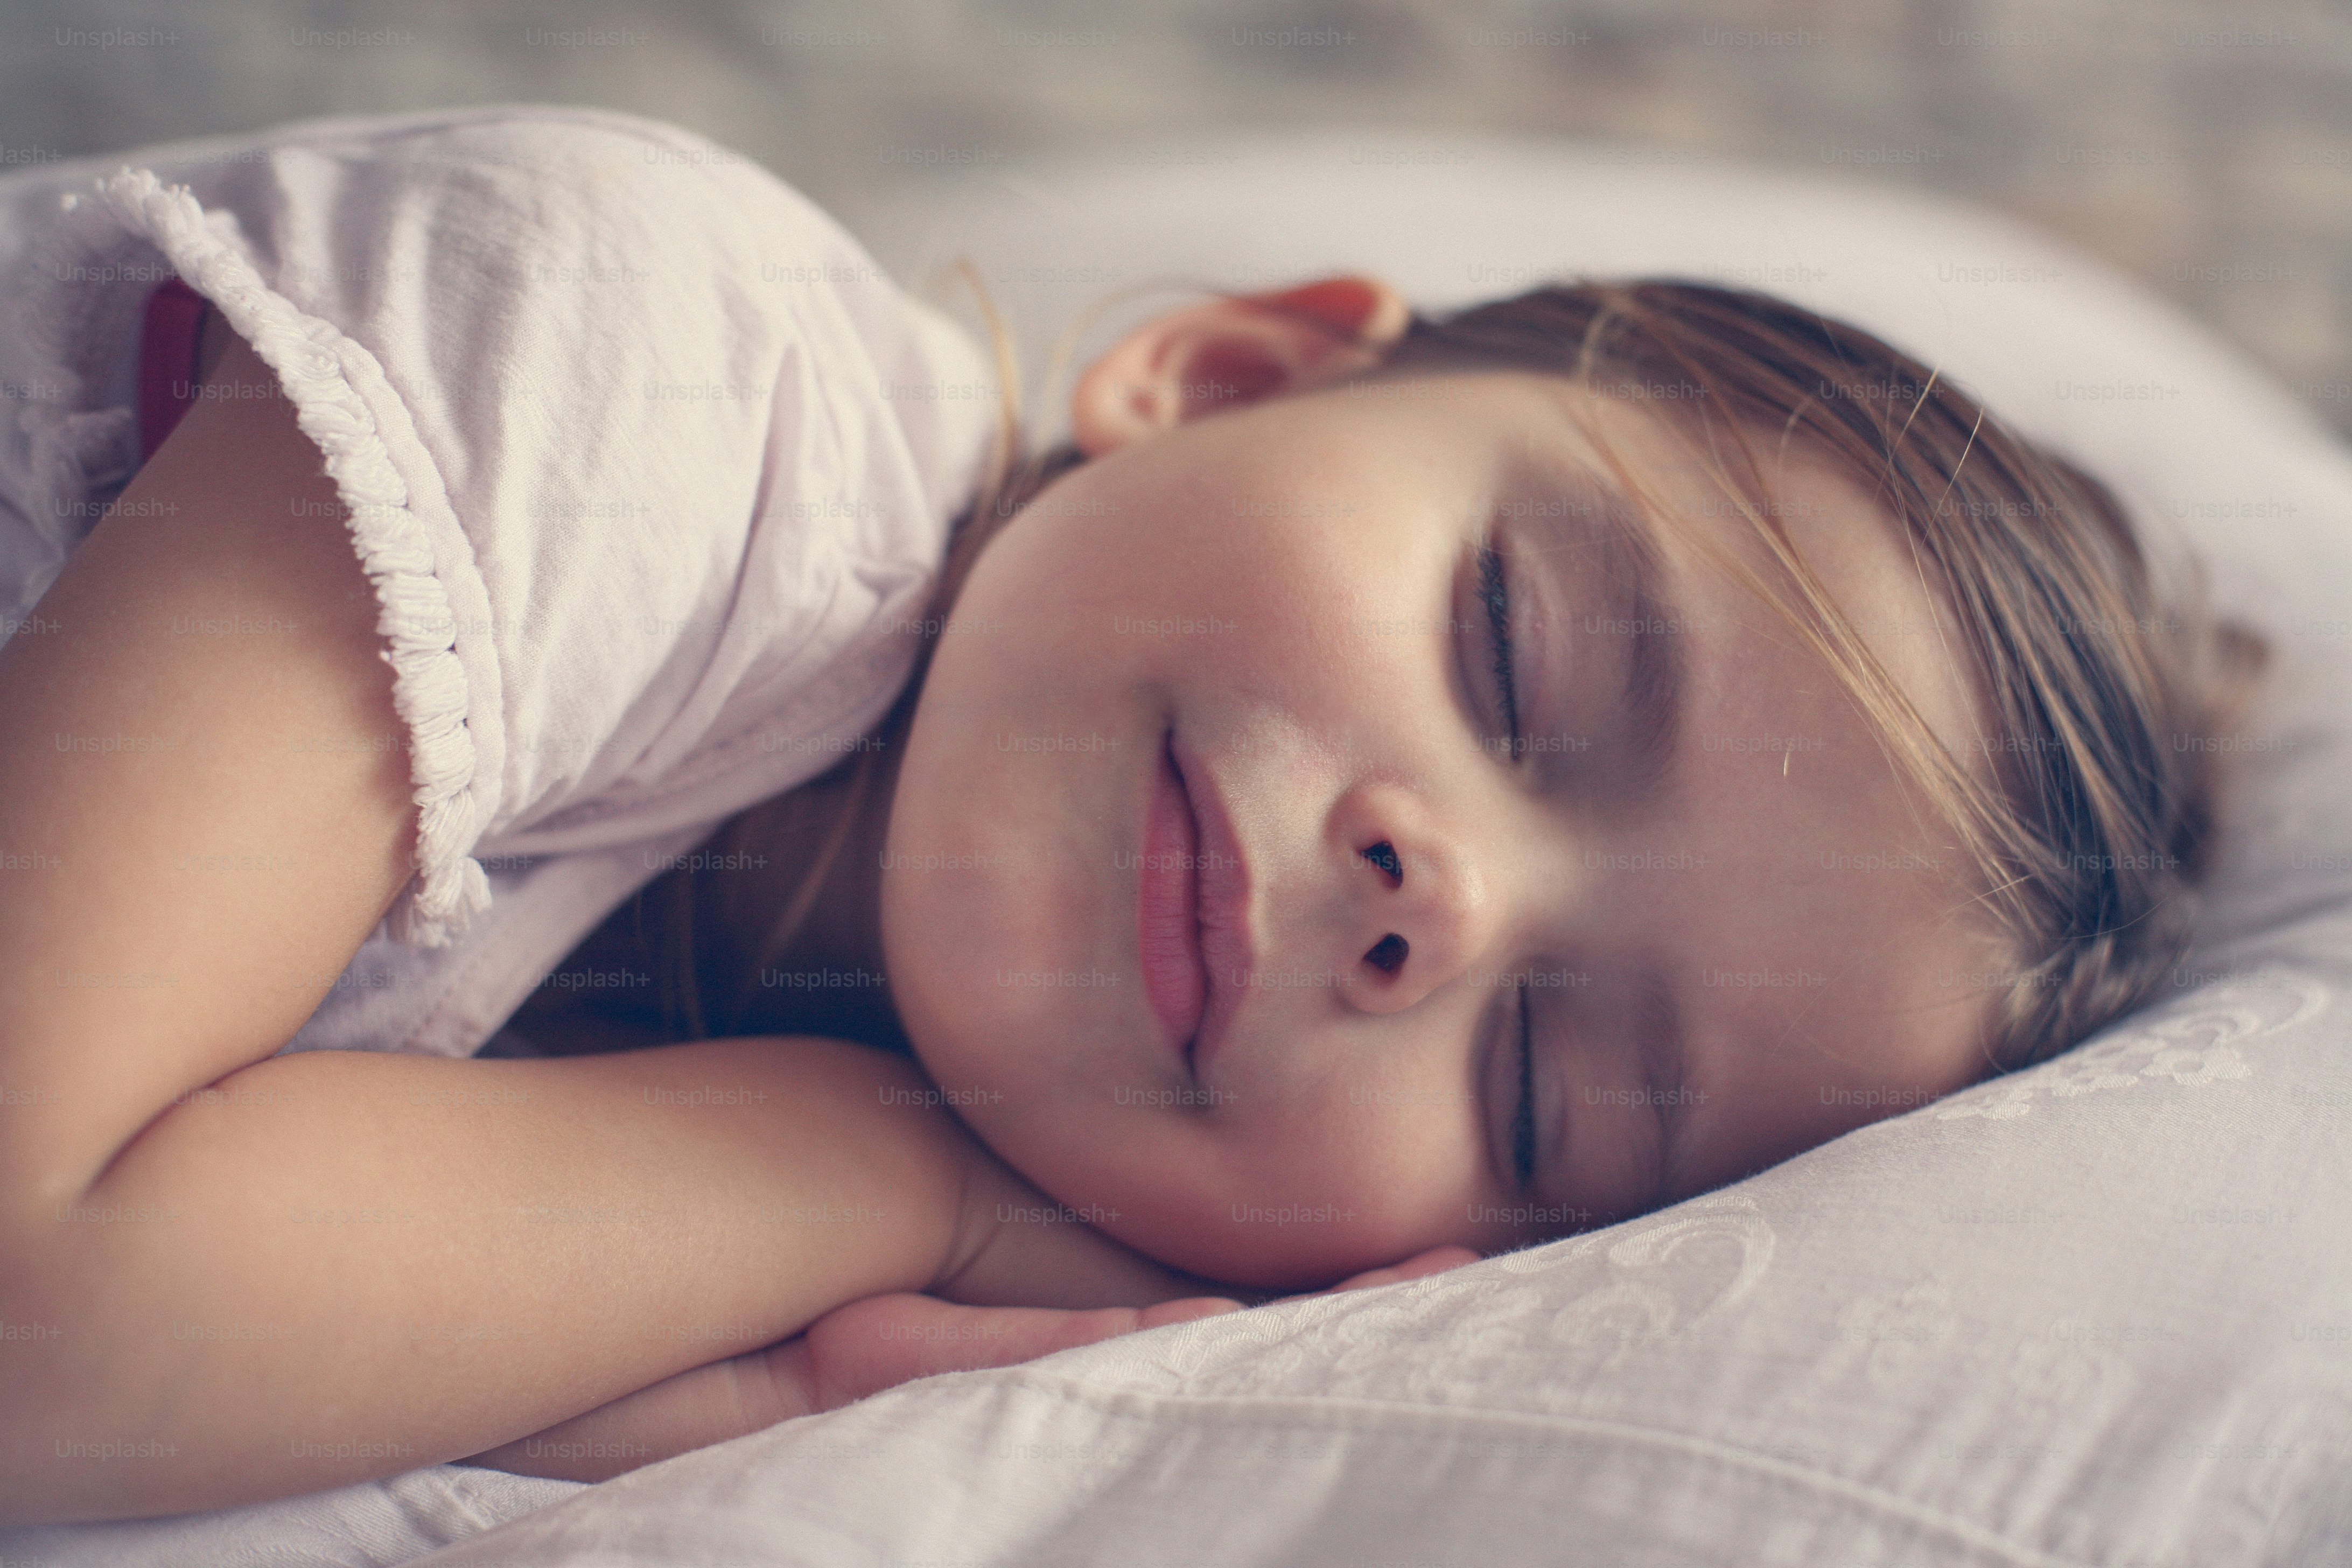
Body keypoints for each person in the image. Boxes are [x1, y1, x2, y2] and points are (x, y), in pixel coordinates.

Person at [0, 109, 2260, 1521]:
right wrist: (900, 1175)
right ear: (1232, 373)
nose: (1441, 902)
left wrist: (796, 1358)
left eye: (1549, 1080)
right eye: (1510, 649)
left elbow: (228, 1379)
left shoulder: (864, 1275)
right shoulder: (648, 364)